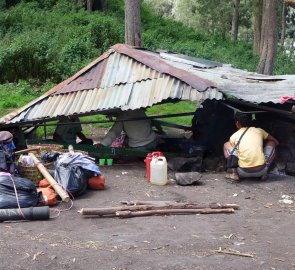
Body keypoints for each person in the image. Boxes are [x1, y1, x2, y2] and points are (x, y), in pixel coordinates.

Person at [223, 112, 279, 181]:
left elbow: (234, 154)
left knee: (226, 144)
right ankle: (265, 173)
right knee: (272, 142)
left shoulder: (234, 136)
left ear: (237, 123)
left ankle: (234, 174)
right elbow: (275, 141)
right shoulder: (259, 131)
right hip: (262, 170)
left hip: (242, 172)